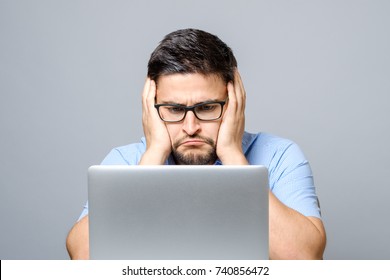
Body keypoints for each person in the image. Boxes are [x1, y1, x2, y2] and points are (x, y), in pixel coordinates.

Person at [66, 28, 326, 260]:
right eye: (173, 109)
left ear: (235, 101)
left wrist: (233, 156)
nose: (191, 127)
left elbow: (304, 259)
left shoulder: (280, 156)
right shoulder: (125, 162)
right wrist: (153, 157)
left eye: (207, 107)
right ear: (151, 107)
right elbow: (84, 258)